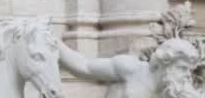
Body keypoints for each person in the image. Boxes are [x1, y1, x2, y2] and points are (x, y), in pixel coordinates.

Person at [59, 38, 203, 98]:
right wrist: (51, 42)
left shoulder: (175, 91)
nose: (187, 76)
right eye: (183, 68)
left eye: (188, 70)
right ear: (165, 62)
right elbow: (84, 67)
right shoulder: (131, 69)